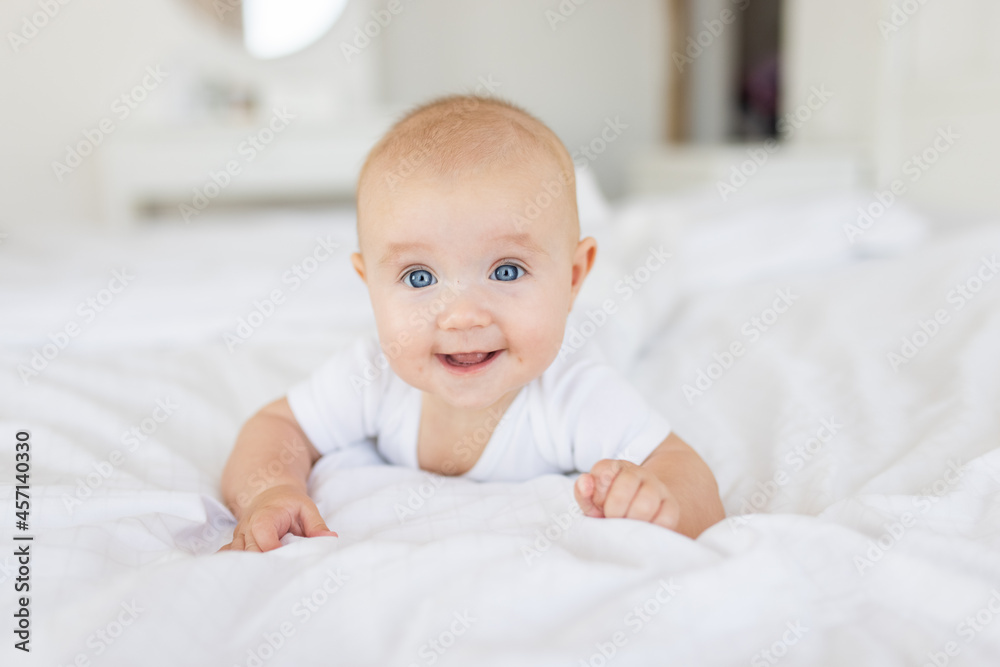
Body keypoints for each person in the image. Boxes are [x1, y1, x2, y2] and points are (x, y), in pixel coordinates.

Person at [219, 95, 725, 552]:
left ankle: (648, 237)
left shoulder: (574, 393)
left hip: (604, 316)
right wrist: (271, 489)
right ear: (368, 283)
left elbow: (689, 475)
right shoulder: (370, 374)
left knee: (638, 288)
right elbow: (278, 426)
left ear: (572, 278)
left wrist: (661, 501)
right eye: (419, 277)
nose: (462, 316)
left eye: (506, 270)